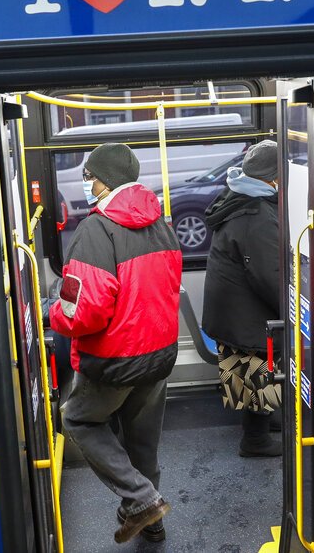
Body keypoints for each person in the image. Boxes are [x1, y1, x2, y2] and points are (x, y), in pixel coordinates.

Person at [49, 142, 182, 543]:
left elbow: (83, 311)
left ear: (104, 180)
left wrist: (54, 310)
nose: (86, 183)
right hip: (159, 353)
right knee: (142, 442)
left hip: (116, 359)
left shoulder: (96, 229)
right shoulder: (161, 223)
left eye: (89, 176)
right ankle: (151, 521)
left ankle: (142, 500)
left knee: (78, 419)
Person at [201, 140, 283, 457]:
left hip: (230, 303)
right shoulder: (258, 215)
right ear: (272, 177)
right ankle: (255, 440)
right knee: (256, 364)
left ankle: (265, 418)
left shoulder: (239, 195)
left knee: (252, 368)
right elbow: (269, 275)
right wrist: (294, 311)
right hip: (241, 310)